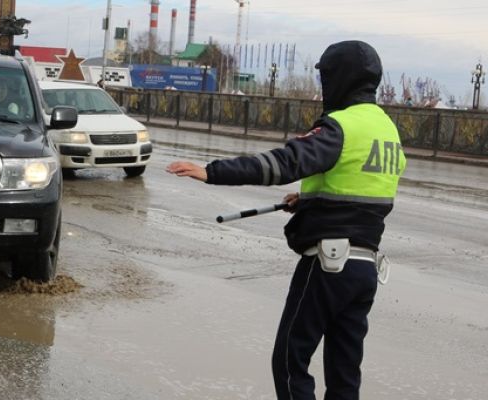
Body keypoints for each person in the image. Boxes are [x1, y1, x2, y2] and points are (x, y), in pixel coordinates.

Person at [166, 40, 406, 399]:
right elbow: (365, 194)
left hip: (327, 264)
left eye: (326, 78)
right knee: (344, 371)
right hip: (365, 269)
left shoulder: (341, 127)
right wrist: (310, 201)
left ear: (340, 78)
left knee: (291, 360)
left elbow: (283, 163)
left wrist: (211, 171)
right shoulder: (387, 130)